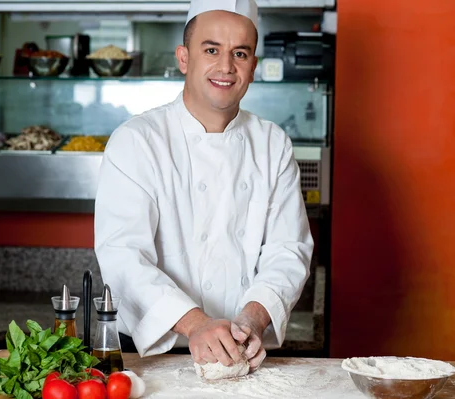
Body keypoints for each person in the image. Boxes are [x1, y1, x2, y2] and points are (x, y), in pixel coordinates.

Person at [94, 0, 313, 372]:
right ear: (184, 58)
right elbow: (123, 255)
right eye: (211, 49)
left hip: (244, 350)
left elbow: (288, 250)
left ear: (253, 67)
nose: (226, 67)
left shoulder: (273, 144)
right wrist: (196, 324)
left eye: (239, 53)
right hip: (154, 352)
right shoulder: (137, 140)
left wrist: (254, 319)